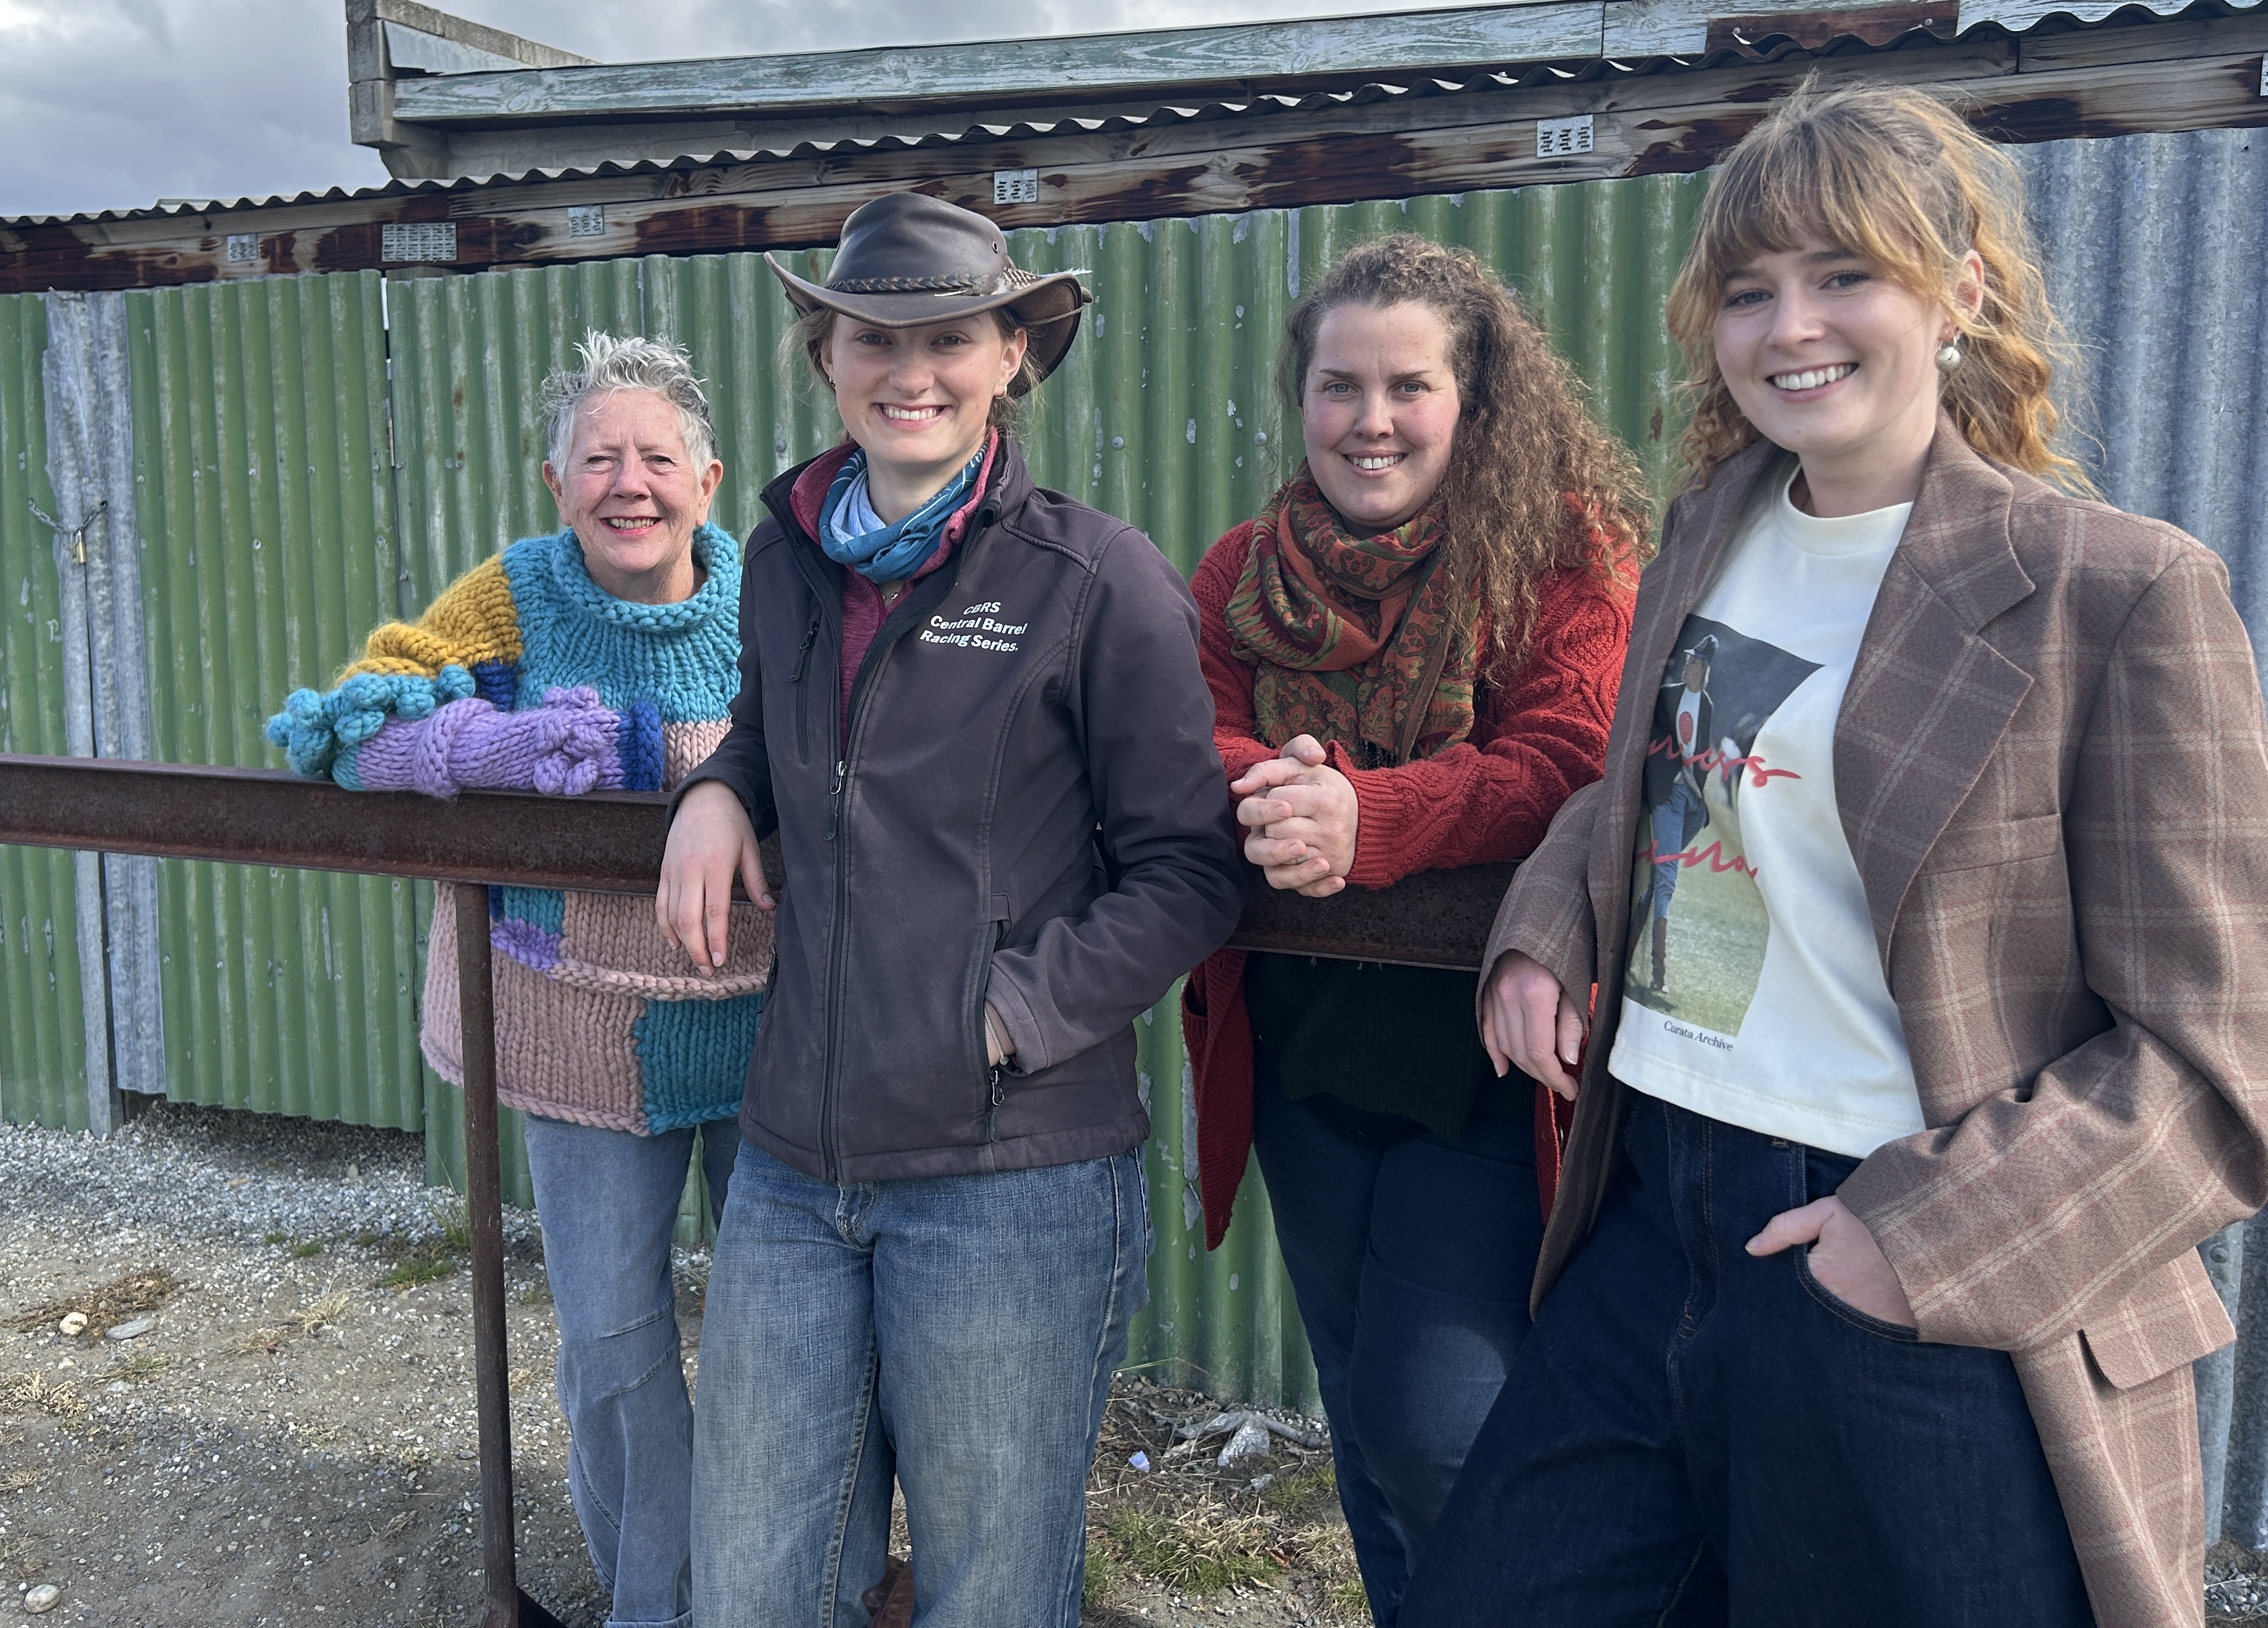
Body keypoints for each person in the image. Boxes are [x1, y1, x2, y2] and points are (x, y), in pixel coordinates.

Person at [1423, 84, 2268, 1628]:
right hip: (1652, 1199)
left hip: (1909, 1251)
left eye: (1844, 275)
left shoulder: (2117, 592)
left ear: (1964, 292)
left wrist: (1914, 1239)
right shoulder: (1712, 530)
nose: (1789, 326)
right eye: (1750, 291)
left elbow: (2218, 1061)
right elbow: (1651, 791)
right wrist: (1553, 917)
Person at [656, 191, 1250, 1628]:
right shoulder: (783, 555)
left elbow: (1193, 867)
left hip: (1010, 1176)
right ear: (826, 355)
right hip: (797, 1160)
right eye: (875, 333)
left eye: (950, 335)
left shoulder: (1093, 578)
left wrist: (1007, 1013)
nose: (909, 366)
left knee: (990, 1594)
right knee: (749, 1587)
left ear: (1009, 361)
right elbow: (772, 731)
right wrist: (721, 790)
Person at [266, 333, 767, 1628]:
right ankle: (655, 1606)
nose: (629, 482)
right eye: (598, 457)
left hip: (774, 1028)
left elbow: (850, 748)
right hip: (577, 1033)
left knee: (790, 1350)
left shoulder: (776, 602)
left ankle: (773, 1595)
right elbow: (358, 732)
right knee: (614, 1349)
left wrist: (643, 751)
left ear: (708, 480)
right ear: (556, 484)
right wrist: (516, 744)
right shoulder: (509, 598)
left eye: (658, 456)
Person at [1181, 234, 1645, 1622]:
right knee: (1364, 1426)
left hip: (1491, 1068)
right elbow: (1176, 729)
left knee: (1435, 1423)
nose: (1369, 421)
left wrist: (1368, 819)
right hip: (1300, 1051)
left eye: (1408, 387)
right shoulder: (1243, 571)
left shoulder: (1568, 560)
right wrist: (1279, 793)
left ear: (1475, 397)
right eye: (1339, 386)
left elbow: (1571, 758)